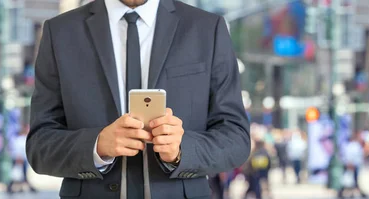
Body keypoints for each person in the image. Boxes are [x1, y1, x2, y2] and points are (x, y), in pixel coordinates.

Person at [26, 0, 251, 198]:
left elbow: (236, 139)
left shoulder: (207, 29)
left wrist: (182, 150)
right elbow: (39, 145)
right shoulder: (61, 32)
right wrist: (96, 146)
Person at [338, 133, 368, 199]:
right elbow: (346, 155)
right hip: (350, 164)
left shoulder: (354, 145)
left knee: (353, 180)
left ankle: (351, 193)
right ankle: (342, 192)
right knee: (349, 179)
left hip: (353, 164)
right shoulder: (350, 145)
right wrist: (349, 163)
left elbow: (359, 155)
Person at [8, 128, 38, 193]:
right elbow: (17, 150)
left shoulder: (23, 138)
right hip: (18, 159)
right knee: (17, 174)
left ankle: (19, 188)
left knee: (21, 175)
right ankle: (11, 187)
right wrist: (18, 158)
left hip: (23, 159)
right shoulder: (19, 139)